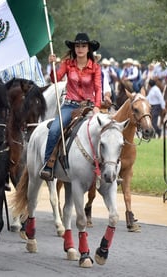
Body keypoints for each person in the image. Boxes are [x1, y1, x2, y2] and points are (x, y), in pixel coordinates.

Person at [40, 33, 102, 181]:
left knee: (106, 130)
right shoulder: (68, 64)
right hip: (69, 106)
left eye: (83, 46)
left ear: (89, 49)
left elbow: (98, 88)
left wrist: (97, 106)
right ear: (74, 48)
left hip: (89, 107)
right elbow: (56, 79)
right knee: (55, 130)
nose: (80, 49)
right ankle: (48, 165)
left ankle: (108, 167)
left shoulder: (95, 67)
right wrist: (52, 65)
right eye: (77, 46)